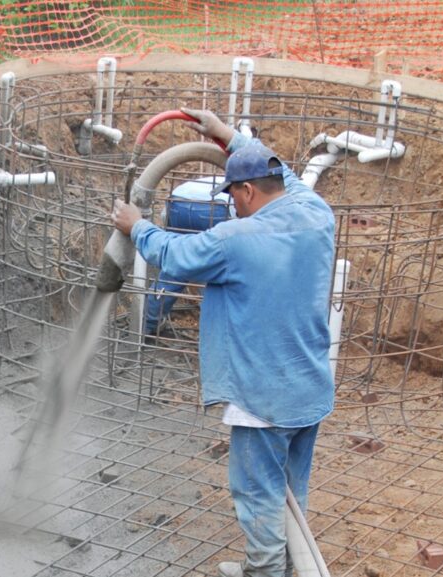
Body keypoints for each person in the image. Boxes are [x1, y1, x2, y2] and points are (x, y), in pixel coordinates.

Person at [110, 108, 336, 577]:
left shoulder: (235, 240)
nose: (232, 205)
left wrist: (136, 225)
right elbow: (286, 174)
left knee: (259, 497)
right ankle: (289, 567)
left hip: (262, 398)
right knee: (291, 492)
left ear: (248, 191)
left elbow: (173, 254)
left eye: (234, 196)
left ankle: (266, 573)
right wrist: (227, 137)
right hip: (309, 388)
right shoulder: (316, 213)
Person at [144, 176, 235, 338]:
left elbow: (165, 220)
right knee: (222, 269)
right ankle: (219, 331)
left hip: (177, 201)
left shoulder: (235, 177)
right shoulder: (274, 193)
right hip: (218, 208)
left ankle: (149, 322)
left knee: (175, 266)